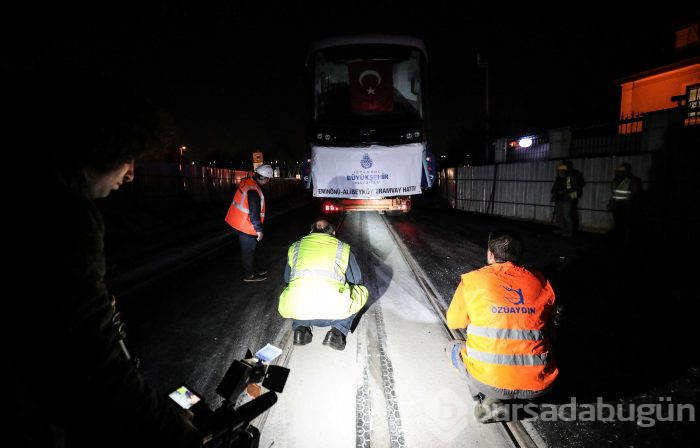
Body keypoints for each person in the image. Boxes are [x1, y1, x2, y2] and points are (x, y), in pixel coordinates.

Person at [15, 73, 202, 447]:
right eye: (127, 157)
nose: (131, 174)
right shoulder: (63, 215)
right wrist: (166, 427)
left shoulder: (25, 192)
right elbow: (94, 362)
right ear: (100, 147)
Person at [445, 230, 558, 422]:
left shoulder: (472, 281)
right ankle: (520, 398)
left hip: (489, 381)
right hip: (540, 382)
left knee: (452, 348)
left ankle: (486, 399)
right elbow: (547, 325)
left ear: (490, 254)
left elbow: (454, 322)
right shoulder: (542, 282)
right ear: (519, 255)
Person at [278, 218, 369, 351]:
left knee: (293, 290)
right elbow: (356, 279)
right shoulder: (342, 248)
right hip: (332, 314)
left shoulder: (295, 247)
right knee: (362, 291)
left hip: (299, 311)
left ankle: (300, 329)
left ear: (310, 232)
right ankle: (337, 332)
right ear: (333, 233)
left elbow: (287, 279)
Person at [224, 164, 274, 282]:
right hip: (245, 225)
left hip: (238, 221)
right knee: (248, 251)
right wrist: (259, 230)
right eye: (268, 179)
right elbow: (254, 212)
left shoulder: (248, 182)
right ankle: (249, 275)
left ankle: (254, 269)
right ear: (265, 178)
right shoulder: (253, 190)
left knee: (251, 249)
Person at [607, 162, 643, 244]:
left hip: (626, 205)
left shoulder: (631, 181)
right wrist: (611, 202)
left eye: (619, 171)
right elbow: (614, 193)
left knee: (626, 224)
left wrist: (633, 204)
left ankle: (627, 240)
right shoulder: (615, 181)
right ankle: (618, 239)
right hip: (617, 205)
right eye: (617, 171)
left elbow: (636, 194)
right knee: (617, 223)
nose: (617, 173)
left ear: (625, 172)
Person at [550, 160, 584, 237]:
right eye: (559, 171)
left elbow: (576, 189)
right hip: (559, 199)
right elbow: (554, 188)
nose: (560, 173)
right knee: (559, 216)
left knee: (567, 215)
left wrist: (565, 192)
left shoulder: (571, 178)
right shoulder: (558, 179)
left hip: (568, 199)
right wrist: (554, 193)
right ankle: (562, 229)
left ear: (566, 171)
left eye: (562, 171)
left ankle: (569, 232)